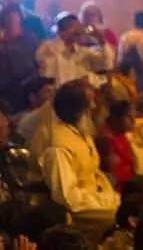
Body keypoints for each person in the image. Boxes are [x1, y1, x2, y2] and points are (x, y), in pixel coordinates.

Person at [41, 82, 120, 241]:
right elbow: (67, 198)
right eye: (89, 103)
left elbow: (95, 174)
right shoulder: (59, 147)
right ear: (76, 109)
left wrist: (109, 198)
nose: (94, 106)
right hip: (80, 213)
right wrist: (103, 203)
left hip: (96, 201)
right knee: (122, 218)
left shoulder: (83, 135)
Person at [35, 12, 114, 86]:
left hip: (79, 98)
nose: (77, 29)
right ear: (61, 31)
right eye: (72, 26)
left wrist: (101, 39)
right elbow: (45, 70)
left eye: (78, 25)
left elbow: (106, 64)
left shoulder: (83, 52)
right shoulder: (47, 47)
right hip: (56, 97)